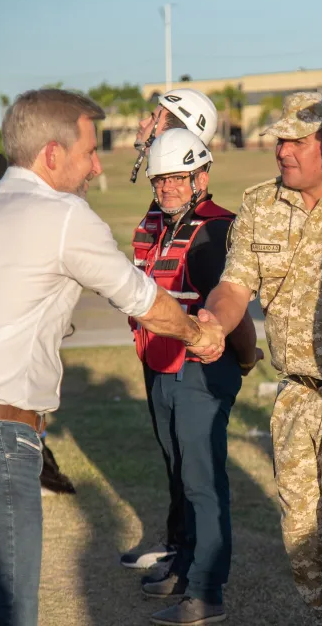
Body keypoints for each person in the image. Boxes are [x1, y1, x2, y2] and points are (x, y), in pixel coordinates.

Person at [0, 88, 225, 626]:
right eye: (89, 152)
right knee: (6, 609)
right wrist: (198, 334)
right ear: (52, 153)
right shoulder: (65, 215)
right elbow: (141, 299)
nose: (96, 166)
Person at [201, 92, 322, 624]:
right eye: (279, 140)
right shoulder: (261, 205)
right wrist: (214, 321)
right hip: (296, 400)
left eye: (295, 140)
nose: (282, 150)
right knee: (303, 545)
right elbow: (234, 286)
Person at [129, 128, 259, 625]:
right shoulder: (160, 224)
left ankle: (207, 592)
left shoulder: (215, 230)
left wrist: (243, 359)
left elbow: (234, 311)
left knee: (202, 482)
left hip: (201, 370)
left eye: (177, 178)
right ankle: (184, 567)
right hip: (162, 367)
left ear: (201, 177)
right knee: (180, 474)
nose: (167, 187)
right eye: (160, 179)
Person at [121, 86, 223, 573]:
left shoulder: (208, 222)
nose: (145, 125)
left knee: (192, 465)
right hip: (157, 351)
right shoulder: (163, 206)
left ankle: (193, 562)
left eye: (154, 118)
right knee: (173, 457)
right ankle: (179, 544)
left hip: (190, 358)